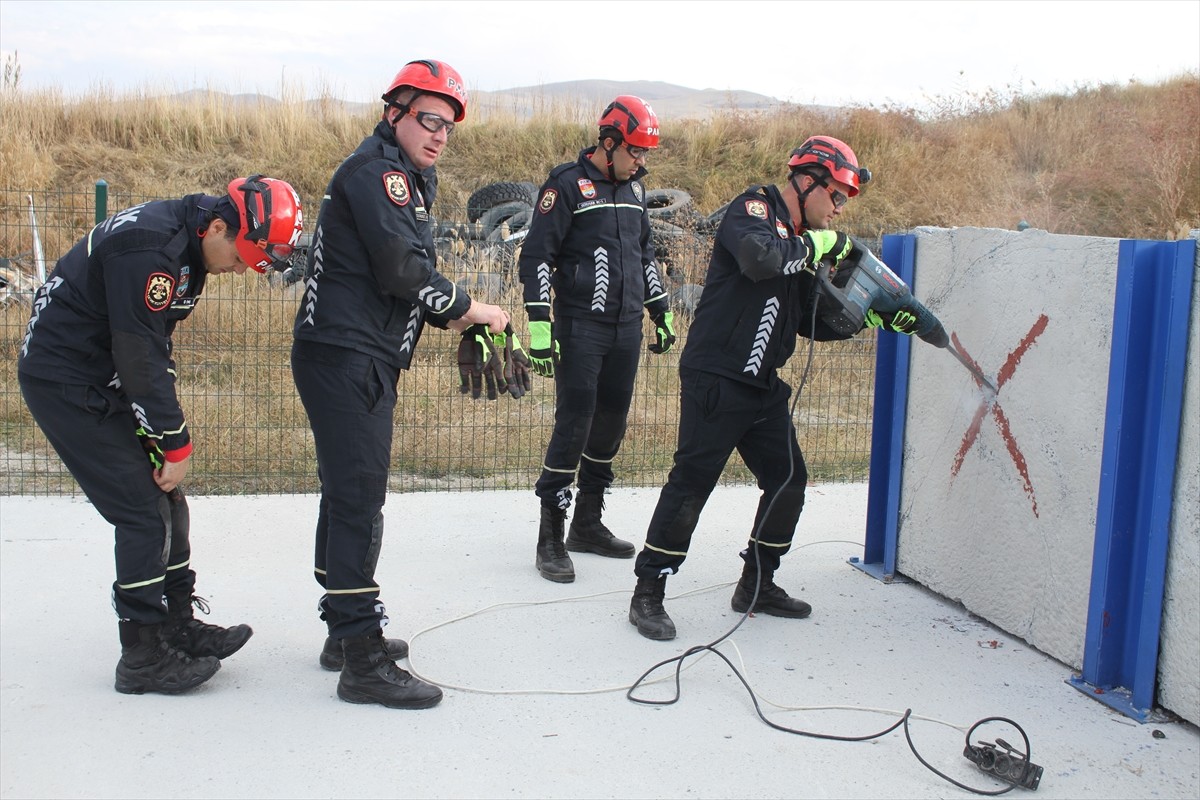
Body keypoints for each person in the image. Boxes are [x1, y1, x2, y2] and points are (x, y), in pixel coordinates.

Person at [17, 175, 304, 692]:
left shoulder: (190, 246)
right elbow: (139, 357)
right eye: (239, 257)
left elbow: (151, 345)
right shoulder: (151, 251)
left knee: (170, 503)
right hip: (65, 379)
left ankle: (177, 624)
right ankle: (143, 655)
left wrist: (164, 432)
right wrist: (173, 441)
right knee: (143, 513)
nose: (239, 269)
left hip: (103, 373)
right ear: (218, 225)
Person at [290, 59, 512, 710]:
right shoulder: (379, 174)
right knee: (359, 500)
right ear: (396, 112)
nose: (440, 134)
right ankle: (362, 658)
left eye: (449, 125)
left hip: (351, 351)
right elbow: (401, 269)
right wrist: (476, 309)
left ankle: (342, 632)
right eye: (429, 119)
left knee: (344, 496)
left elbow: (399, 278)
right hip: (346, 355)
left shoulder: (404, 176)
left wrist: (444, 315)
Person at [628, 136, 902, 641]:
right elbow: (759, 259)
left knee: (789, 479)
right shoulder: (752, 209)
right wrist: (817, 246)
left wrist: (869, 317)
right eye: (836, 196)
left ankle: (756, 583)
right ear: (807, 181)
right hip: (717, 375)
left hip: (762, 385)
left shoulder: (799, 239)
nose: (839, 209)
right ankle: (648, 593)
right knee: (692, 483)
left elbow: (807, 322)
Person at [517, 95, 675, 584]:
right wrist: (540, 324)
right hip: (580, 326)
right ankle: (550, 534)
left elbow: (645, 255)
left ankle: (586, 523)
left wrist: (661, 310)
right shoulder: (566, 186)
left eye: (647, 154)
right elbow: (537, 256)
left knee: (610, 425)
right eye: (636, 152)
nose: (642, 162)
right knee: (575, 424)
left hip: (626, 328)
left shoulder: (633, 191)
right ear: (609, 144)